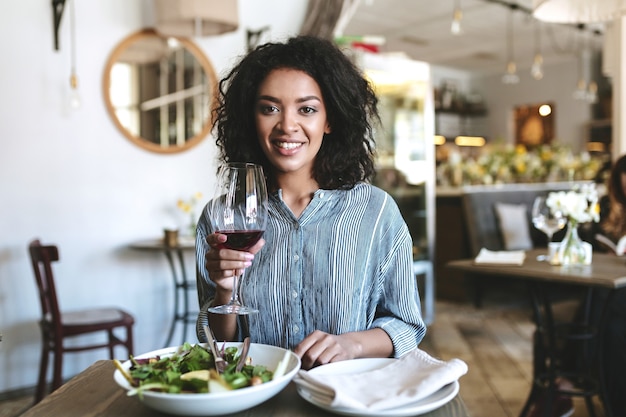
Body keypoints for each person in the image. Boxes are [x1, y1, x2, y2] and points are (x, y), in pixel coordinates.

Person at [195, 35, 426, 370]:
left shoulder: (376, 213)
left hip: (344, 399)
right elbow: (217, 351)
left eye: (307, 109)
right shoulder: (220, 217)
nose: (287, 125)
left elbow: (407, 325)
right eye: (270, 108)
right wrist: (225, 293)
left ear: (329, 120)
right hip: (258, 399)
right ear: (252, 118)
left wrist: (351, 345)